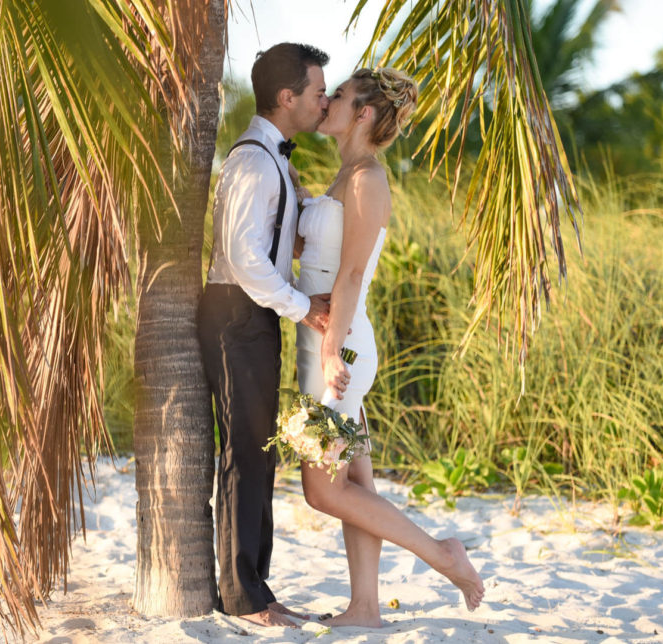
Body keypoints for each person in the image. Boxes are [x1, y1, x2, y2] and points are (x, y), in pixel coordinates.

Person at [295, 68, 486, 627]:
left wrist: (331, 354)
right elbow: (322, 258)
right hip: (328, 341)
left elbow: (352, 275)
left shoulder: (367, 180)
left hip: (342, 346)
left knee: (321, 488)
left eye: (342, 96)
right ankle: (365, 608)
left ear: (364, 114)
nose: (327, 101)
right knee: (355, 483)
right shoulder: (346, 174)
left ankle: (443, 554)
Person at [197, 43, 335, 629]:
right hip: (236, 311)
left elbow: (266, 243)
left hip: (253, 313)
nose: (323, 100)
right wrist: (303, 308)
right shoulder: (254, 160)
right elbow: (244, 257)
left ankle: (258, 586)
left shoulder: (273, 157)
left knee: (258, 453)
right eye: (318, 91)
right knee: (242, 455)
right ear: (288, 97)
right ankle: (241, 596)